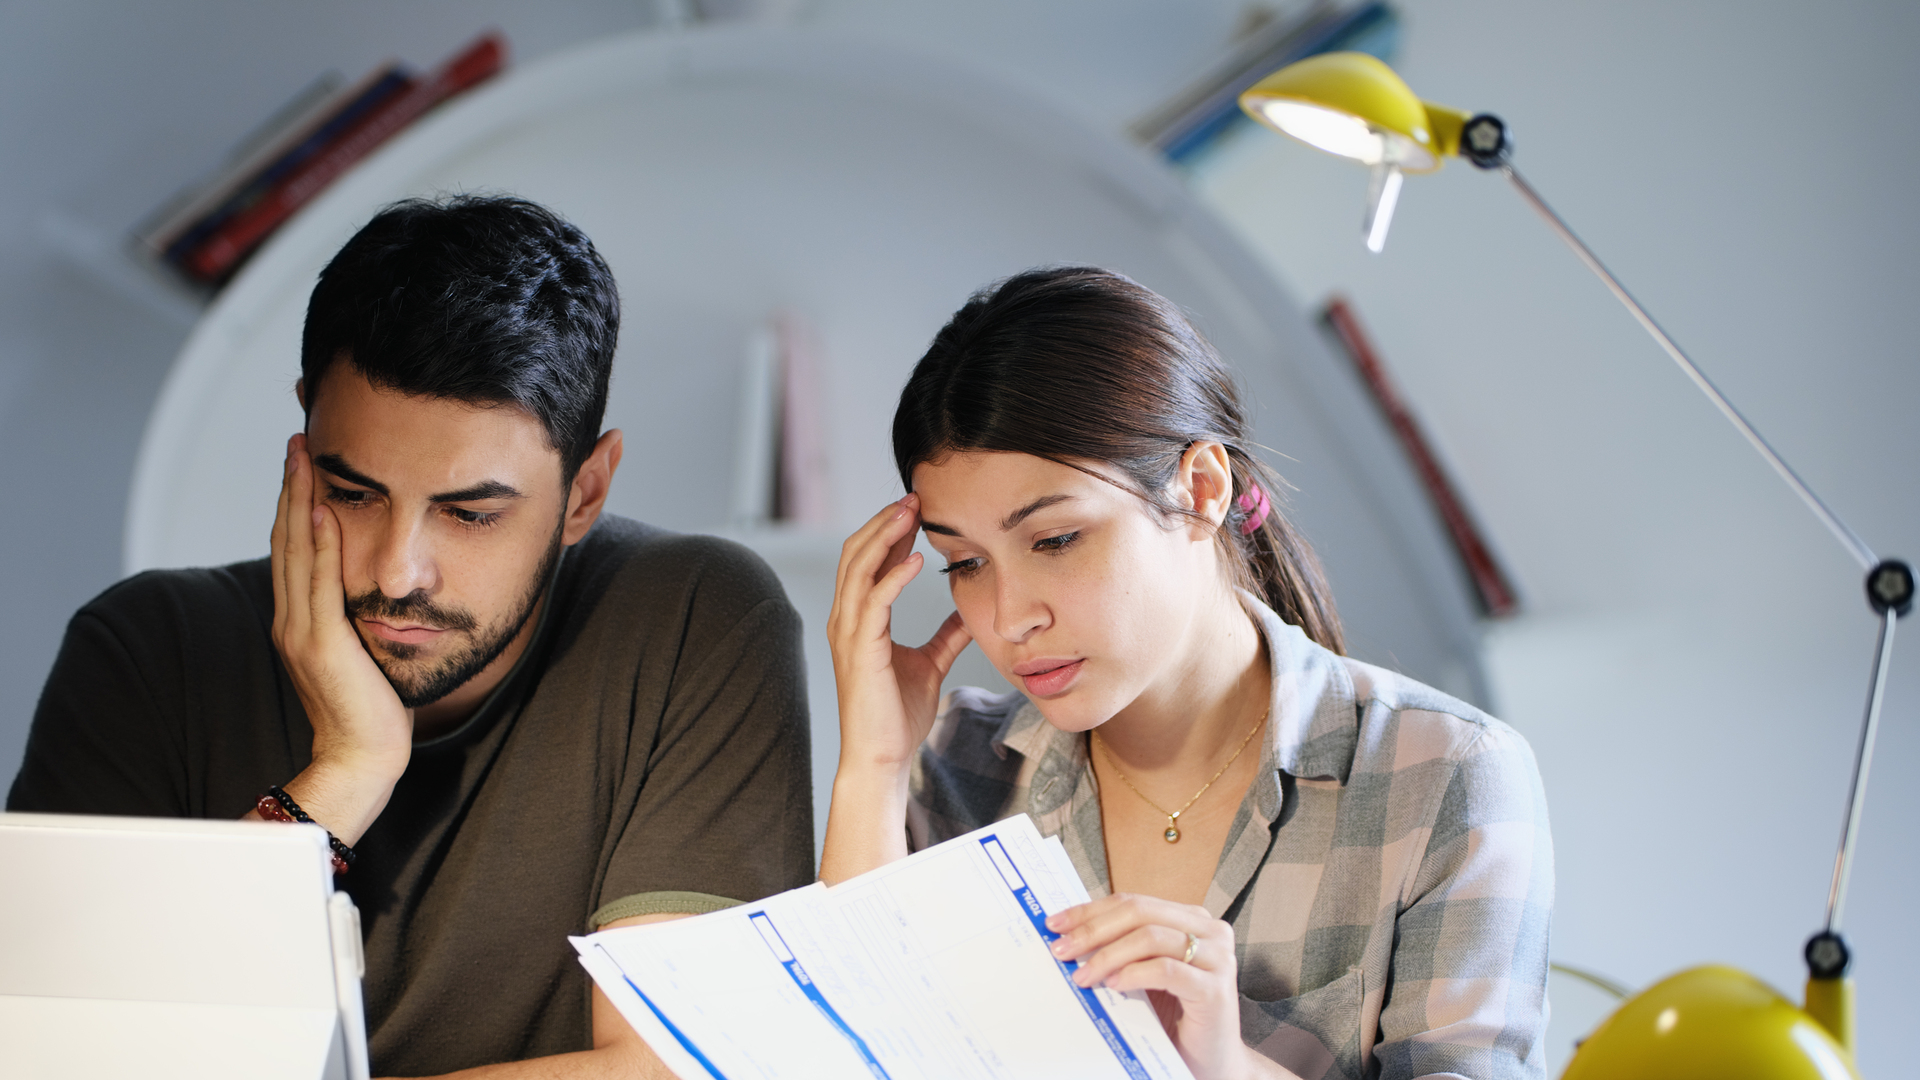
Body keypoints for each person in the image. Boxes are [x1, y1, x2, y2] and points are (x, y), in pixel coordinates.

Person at [9, 195, 815, 1078]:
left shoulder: (693, 618)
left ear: (585, 492)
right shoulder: (147, 651)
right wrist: (343, 777)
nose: (399, 572)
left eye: (469, 515)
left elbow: (672, 1066)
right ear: (303, 438)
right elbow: (68, 1055)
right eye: (352, 494)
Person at [822, 267, 1552, 1080]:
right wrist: (873, 766)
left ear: (1201, 489)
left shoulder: (1443, 775)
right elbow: (841, 1056)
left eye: (1055, 540)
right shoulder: (962, 767)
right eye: (964, 562)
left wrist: (1227, 1066)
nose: (1008, 616)